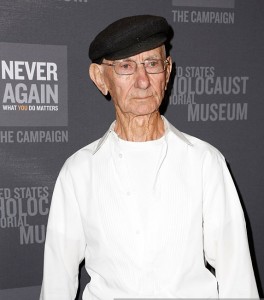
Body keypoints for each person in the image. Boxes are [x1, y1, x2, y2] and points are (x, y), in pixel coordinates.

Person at [40, 15, 259, 299]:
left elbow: (237, 274)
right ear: (100, 78)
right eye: (126, 66)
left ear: (167, 72)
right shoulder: (79, 172)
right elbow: (58, 281)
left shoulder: (205, 163)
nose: (143, 81)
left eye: (152, 64)